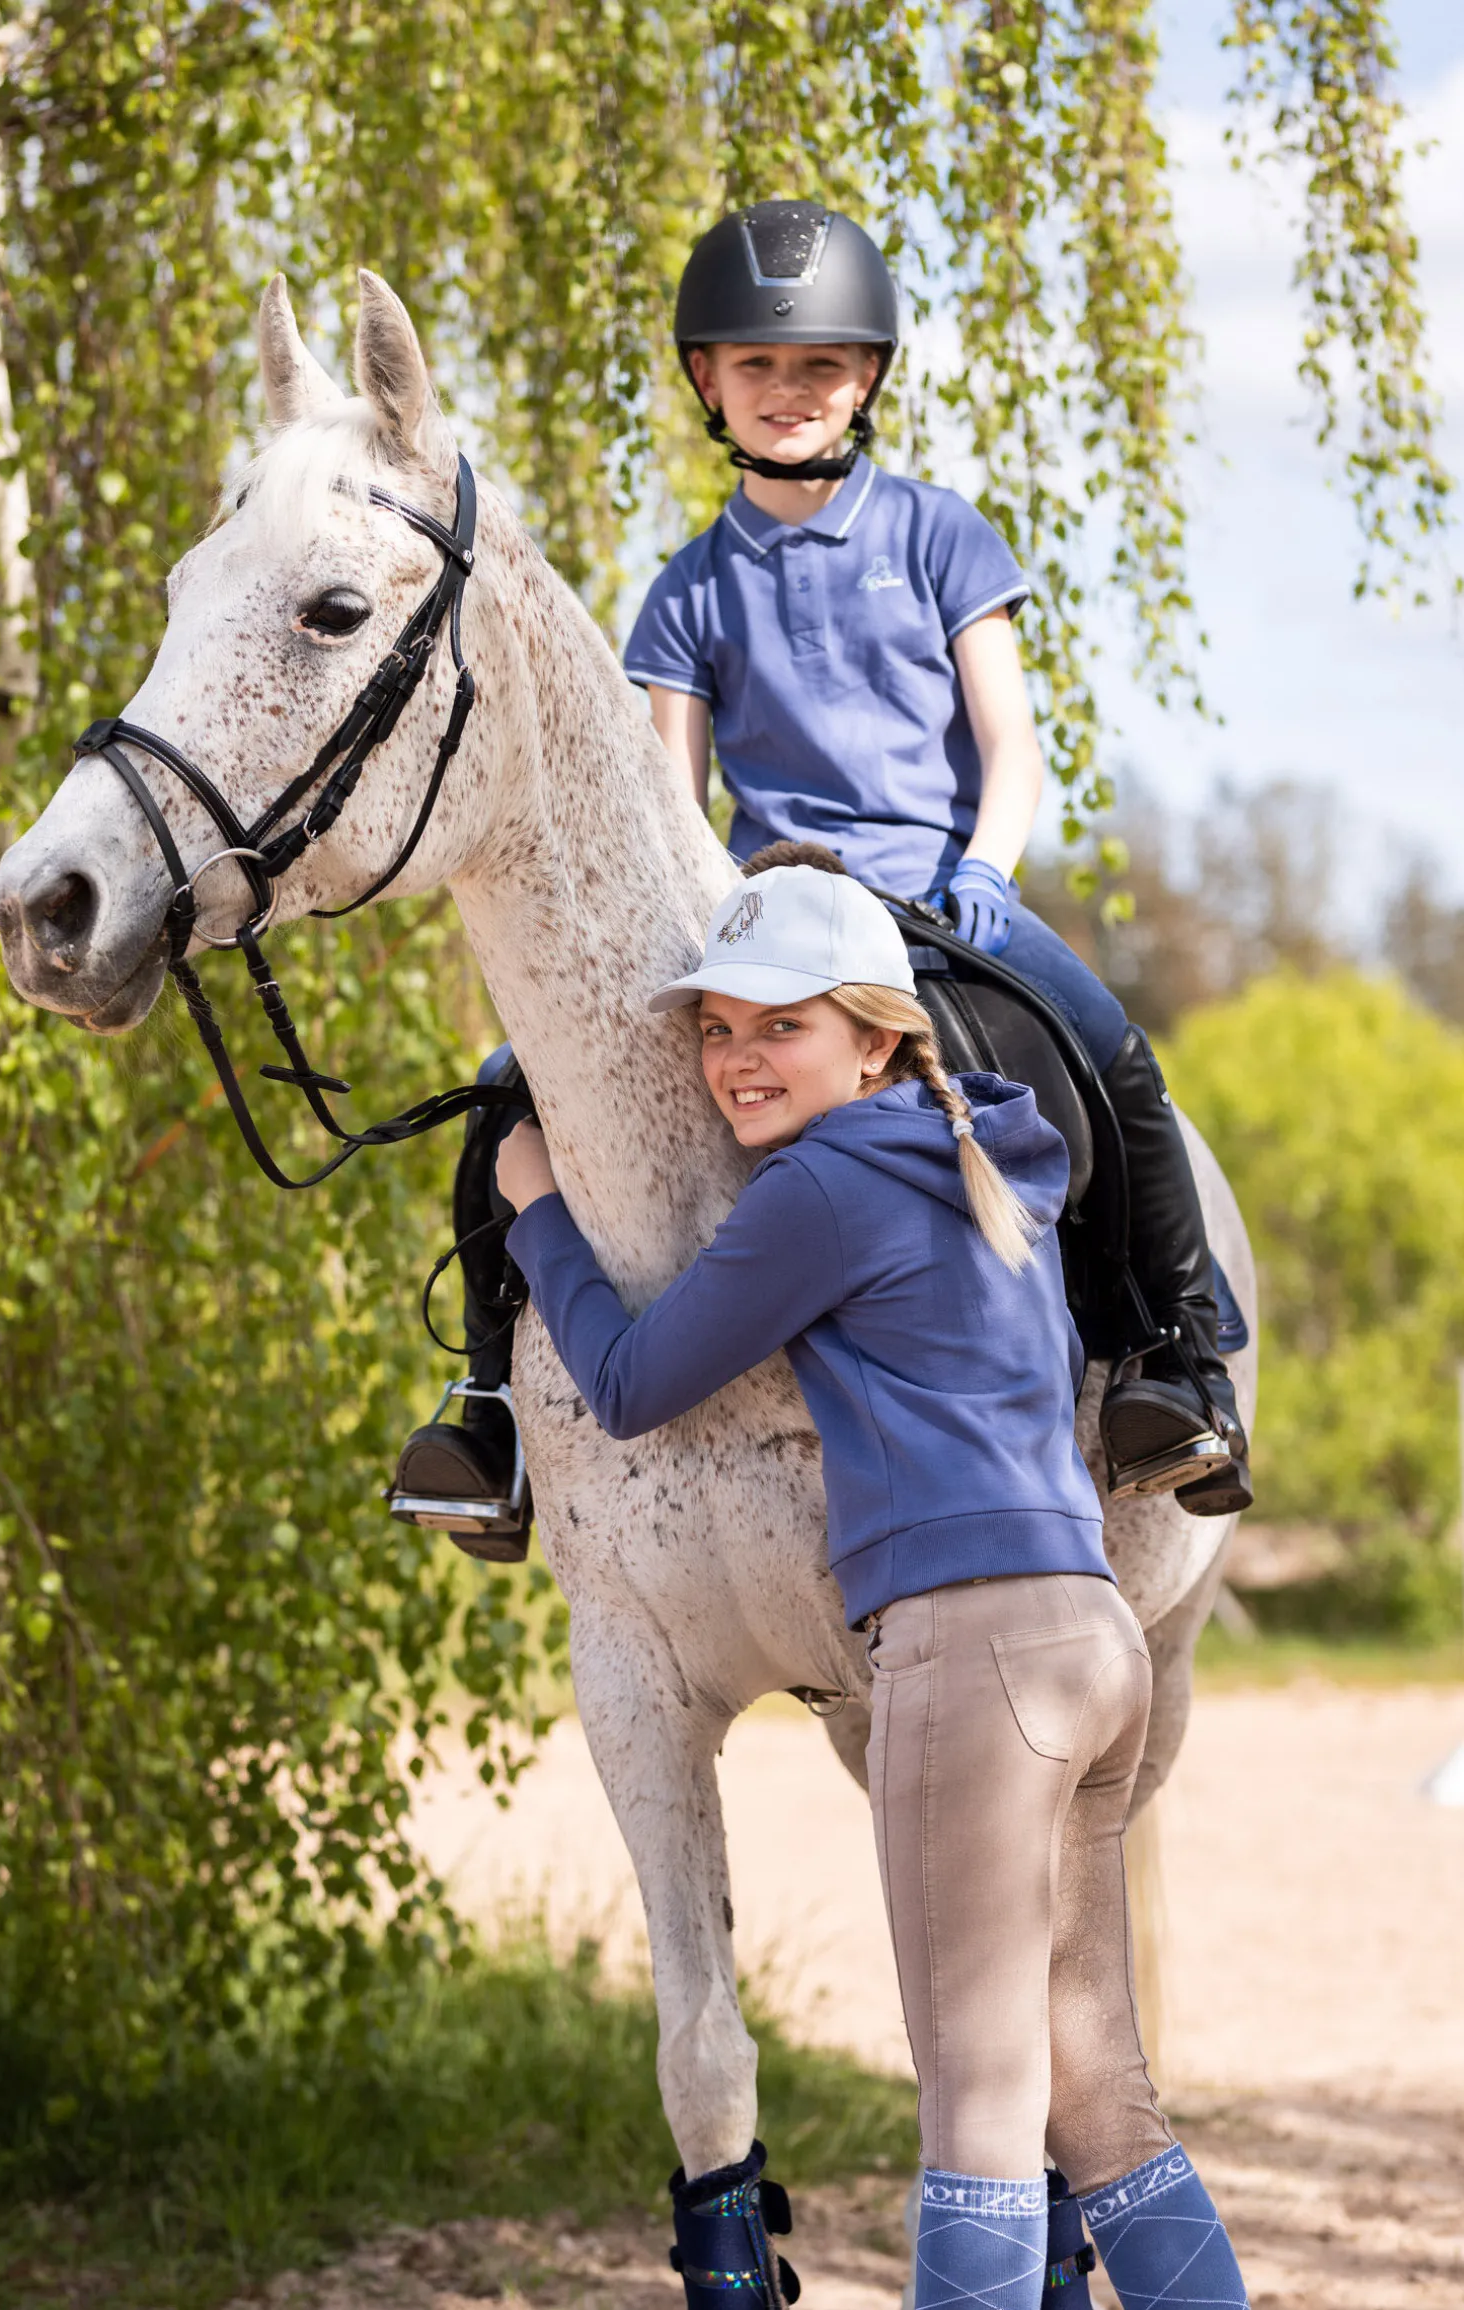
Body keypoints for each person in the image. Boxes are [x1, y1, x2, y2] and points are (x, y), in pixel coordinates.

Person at [398, 196, 1250, 1537]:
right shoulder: (686, 589)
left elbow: (1008, 744)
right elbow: (669, 804)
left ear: (866, 378)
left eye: (816, 366)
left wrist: (988, 863)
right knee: (512, 1093)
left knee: (1108, 1042)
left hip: (937, 898)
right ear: (707, 383)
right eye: (757, 367)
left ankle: (1178, 1355)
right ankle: (489, 1410)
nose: (787, 391)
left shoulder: (941, 536)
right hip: (770, 909)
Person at [493, 859, 1252, 2310]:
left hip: (972, 1661)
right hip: (1094, 1641)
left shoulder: (823, 1187)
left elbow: (641, 1379)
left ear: (878, 1031)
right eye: (715, 1029)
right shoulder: (982, 1150)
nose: (734, 1059)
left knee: (975, 2103)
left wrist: (537, 1212)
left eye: (777, 1024)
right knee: (1102, 2103)